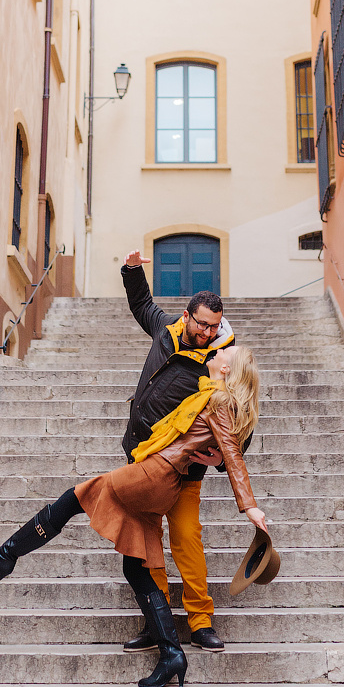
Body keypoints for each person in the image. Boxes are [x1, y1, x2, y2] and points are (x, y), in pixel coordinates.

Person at [0, 344, 266, 687]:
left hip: (153, 475)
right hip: (159, 477)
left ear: (227, 370)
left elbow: (232, 453)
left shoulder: (218, 401)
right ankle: (171, 652)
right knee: (135, 565)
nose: (218, 352)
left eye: (226, 353)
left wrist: (249, 505)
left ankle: (5, 555)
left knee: (75, 497)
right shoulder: (207, 394)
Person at [119, 250, 237, 653]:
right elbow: (141, 303)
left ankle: (201, 622)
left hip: (185, 469)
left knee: (187, 540)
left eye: (214, 327)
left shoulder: (221, 361)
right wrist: (132, 269)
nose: (206, 333)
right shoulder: (165, 329)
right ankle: (156, 622)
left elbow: (238, 418)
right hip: (144, 460)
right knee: (147, 542)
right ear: (187, 315)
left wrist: (221, 458)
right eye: (202, 324)